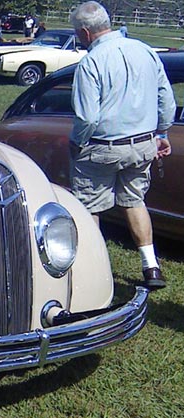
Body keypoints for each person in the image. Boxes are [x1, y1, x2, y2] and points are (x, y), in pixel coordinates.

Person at [69, 1, 175, 290]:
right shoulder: (144, 50)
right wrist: (162, 131)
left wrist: (77, 142)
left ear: (85, 33)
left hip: (103, 145)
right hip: (142, 143)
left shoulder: (91, 62)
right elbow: (166, 98)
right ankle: (150, 265)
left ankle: (93, 270)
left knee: (90, 205)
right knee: (134, 201)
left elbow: (87, 116)